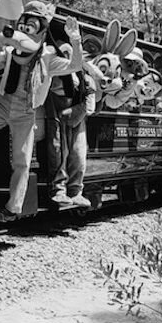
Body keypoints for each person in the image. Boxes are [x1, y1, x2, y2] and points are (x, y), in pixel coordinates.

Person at [0, 1, 83, 222]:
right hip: (3, 105)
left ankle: (12, 208)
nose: (23, 30)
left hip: (26, 111)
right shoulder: (11, 52)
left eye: (30, 25)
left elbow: (74, 65)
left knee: (22, 161)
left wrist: (75, 40)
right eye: (22, 24)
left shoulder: (48, 58)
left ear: (40, 30)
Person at [45, 43, 102, 208]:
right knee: (58, 151)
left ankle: (76, 190)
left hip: (77, 113)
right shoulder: (54, 69)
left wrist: (80, 109)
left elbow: (90, 96)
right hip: (55, 111)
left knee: (78, 152)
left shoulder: (83, 75)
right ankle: (58, 190)